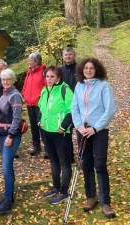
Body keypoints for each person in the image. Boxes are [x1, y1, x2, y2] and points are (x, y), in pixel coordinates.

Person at [72, 58, 116, 218]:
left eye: (91, 68)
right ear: (82, 70)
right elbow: (74, 108)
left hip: (99, 130)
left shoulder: (104, 85)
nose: (88, 70)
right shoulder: (79, 86)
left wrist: (95, 128)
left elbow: (110, 109)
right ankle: (91, 197)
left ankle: (105, 202)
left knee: (100, 164)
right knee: (86, 164)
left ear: (96, 69)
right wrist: (80, 126)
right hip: (83, 130)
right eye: (86, 68)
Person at [38, 66, 73, 205]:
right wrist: (39, 121)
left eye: (52, 76)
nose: (49, 79)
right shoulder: (45, 89)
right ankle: (56, 186)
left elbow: (72, 110)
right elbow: (40, 108)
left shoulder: (65, 89)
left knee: (64, 162)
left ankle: (64, 191)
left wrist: (64, 126)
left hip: (61, 133)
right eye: (47, 76)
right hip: (47, 131)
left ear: (58, 77)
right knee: (53, 161)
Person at [0, 69, 23, 214]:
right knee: (7, 167)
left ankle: (8, 200)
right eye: (3, 79)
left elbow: (16, 118)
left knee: (6, 168)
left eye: (8, 79)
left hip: (12, 135)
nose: (5, 82)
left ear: (13, 80)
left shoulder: (15, 95)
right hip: (3, 133)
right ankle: (7, 196)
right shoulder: (4, 94)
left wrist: (10, 136)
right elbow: (0, 117)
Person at [22, 52, 47, 157]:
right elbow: (25, 85)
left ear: (36, 61)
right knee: (33, 125)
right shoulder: (29, 72)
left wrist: (41, 99)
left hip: (39, 104)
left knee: (42, 125)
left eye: (30, 60)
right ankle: (36, 146)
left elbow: (46, 87)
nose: (29, 62)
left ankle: (47, 147)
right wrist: (24, 94)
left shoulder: (43, 72)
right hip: (29, 103)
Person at [61, 47, 77, 163]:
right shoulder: (60, 70)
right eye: (66, 55)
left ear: (74, 56)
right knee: (67, 131)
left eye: (70, 54)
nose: (68, 56)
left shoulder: (80, 69)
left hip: (80, 104)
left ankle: (84, 156)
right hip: (65, 105)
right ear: (63, 56)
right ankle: (69, 156)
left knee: (82, 130)